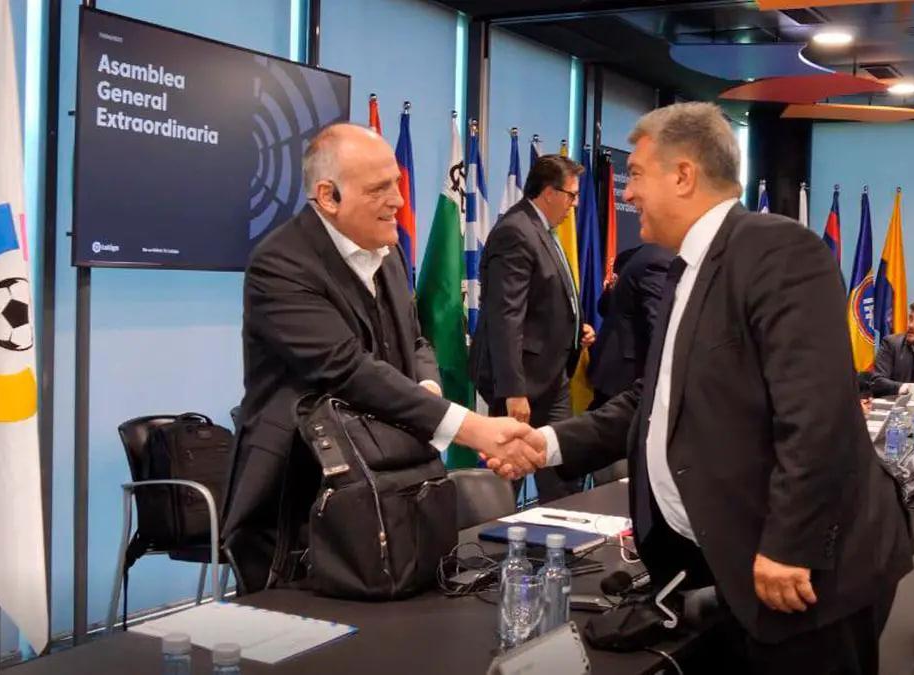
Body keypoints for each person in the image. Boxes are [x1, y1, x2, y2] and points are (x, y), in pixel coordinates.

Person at [485, 102, 914, 673]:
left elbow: (817, 415)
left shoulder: (779, 252)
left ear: (683, 175)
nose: (628, 193)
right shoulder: (686, 268)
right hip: (726, 565)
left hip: (805, 576)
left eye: (637, 174)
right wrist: (549, 444)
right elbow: (655, 399)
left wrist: (789, 544)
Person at [223, 123, 541, 593]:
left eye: (397, 183)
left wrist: (426, 386)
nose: (398, 200)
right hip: (299, 507)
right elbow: (347, 370)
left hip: (388, 496)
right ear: (328, 196)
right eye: (379, 189)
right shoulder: (281, 264)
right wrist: (473, 428)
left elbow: (416, 340)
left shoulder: (386, 252)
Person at [469, 154, 595, 502]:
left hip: (552, 377)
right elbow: (505, 314)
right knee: (507, 476)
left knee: (561, 474)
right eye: (571, 195)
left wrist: (575, 328)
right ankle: (493, 536)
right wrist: (514, 390)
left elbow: (544, 299)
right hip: (523, 382)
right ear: (549, 192)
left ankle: (562, 533)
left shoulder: (542, 230)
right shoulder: (516, 231)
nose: (574, 204)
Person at [587, 243, 673, 409]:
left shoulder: (645, 254)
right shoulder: (657, 260)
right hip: (627, 375)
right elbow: (660, 327)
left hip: (616, 370)